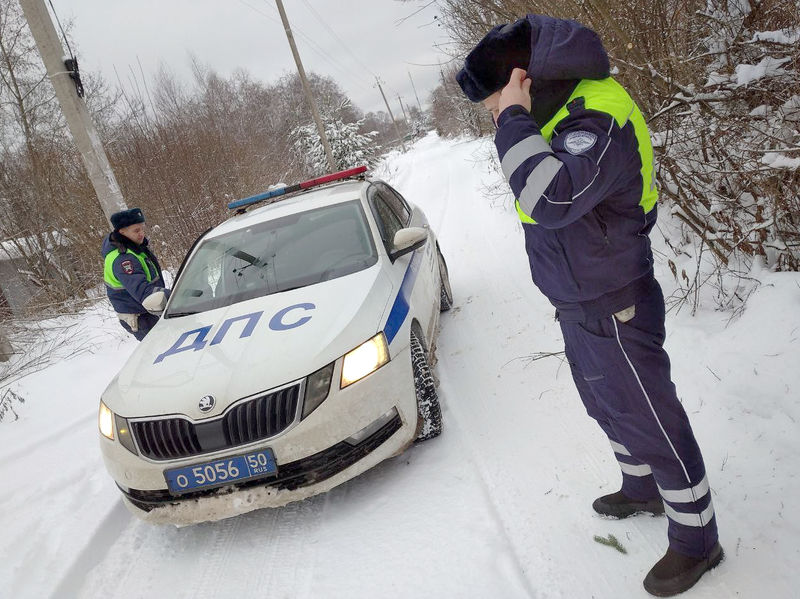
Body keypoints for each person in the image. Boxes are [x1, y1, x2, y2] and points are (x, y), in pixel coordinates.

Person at [456, 14, 722, 597]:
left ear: (521, 79)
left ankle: (698, 538)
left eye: (491, 100)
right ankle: (642, 486)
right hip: (578, 298)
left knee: (651, 417)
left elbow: (552, 196)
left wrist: (511, 120)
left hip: (615, 299)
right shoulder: (553, 110)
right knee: (608, 406)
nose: (490, 114)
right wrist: (517, 118)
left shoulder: (595, 113)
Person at [102, 208, 169, 341]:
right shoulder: (123, 259)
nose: (142, 234)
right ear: (122, 232)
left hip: (151, 310)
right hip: (141, 318)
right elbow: (143, 291)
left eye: (142, 229)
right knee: (163, 352)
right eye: (136, 230)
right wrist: (176, 297)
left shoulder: (135, 248)